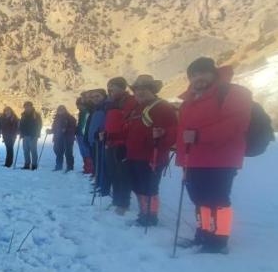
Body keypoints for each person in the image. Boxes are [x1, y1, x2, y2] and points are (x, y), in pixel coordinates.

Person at [176, 58, 253, 253]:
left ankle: (218, 241)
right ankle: (203, 234)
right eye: (193, 75)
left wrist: (200, 136)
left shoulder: (233, 93)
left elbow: (236, 125)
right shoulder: (190, 99)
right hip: (193, 158)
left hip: (221, 158)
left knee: (218, 201)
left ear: (214, 73)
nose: (198, 78)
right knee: (199, 200)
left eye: (203, 72)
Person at [125, 75, 178, 227]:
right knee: (138, 186)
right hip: (134, 155)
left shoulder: (162, 107)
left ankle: (151, 216)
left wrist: (163, 134)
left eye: (144, 89)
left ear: (152, 90)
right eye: (137, 89)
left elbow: (173, 131)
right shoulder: (137, 108)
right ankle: (144, 213)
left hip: (152, 156)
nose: (139, 92)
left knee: (149, 187)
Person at [104, 77, 138, 215]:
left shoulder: (130, 101)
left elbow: (129, 124)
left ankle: (123, 203)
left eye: (114, 87)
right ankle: (116, 200)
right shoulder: (112, 102)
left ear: (122, 87)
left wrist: (119, 138)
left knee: (123, 175)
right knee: (113, 173)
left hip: (122, 144)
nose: (111, 90)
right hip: (111, 142)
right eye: (109, 87)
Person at [87, 89, 110, 196]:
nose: (95, 99)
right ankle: (100, 184)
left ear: (104, 96)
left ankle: (104, 188)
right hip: (94, 140)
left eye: (97, 96)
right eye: (93, 97)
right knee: (97, 164)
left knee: (102, 165)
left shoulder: (106, 107)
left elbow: (106, 123)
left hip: (101, 140)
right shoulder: (95, 108)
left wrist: (101, 133)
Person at [49, 105, 77, 172]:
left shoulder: (70, 118)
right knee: (57, 151)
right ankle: (59, 166)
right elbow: (55, 128)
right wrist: (50, 131)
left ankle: (70, 167)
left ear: (65, 110)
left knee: (68, 153)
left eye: (62, 109)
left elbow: (74, 128)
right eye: (59, 110)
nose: (60, 111)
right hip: (58, 138)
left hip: (68, 138)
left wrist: (66, 129)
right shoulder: (56, 118)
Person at [18, 102, 42, 170]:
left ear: (31, 107)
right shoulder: (23, 115)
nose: (27, 108)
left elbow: (39, 125)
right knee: (25, 150)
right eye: (25, 106)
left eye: (28, 106)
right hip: (25, 135)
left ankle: (34, 165)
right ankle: (27, 164)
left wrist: (36, 134)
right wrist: (20, 132)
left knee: (33, 150)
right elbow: (21, 125)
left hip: (33, 135)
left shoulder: (36, 115)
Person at [76, 97, 94, 174]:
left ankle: (89, 169)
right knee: (83, 152)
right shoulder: (81, 112)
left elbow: (84, 125)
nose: (78, 107)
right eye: (77, 105)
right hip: (80, 135)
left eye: (79, 105)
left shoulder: (86, 112)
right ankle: (86, 168)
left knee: (86, 152)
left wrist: (83, 134)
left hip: (83, 135)